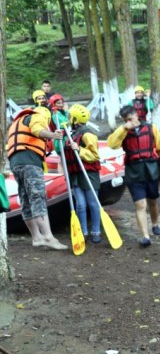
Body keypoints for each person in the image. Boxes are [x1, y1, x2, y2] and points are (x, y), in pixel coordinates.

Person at [107, 105, 160, 247]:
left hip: (150, 169)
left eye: (130, 119)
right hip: (133, 171)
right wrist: (123, 128)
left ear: (136, 115)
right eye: (126, 120)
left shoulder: (151, 128)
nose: (129, 122)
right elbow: (112, 144)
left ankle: (155, 224)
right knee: (140, 204)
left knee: (152, 201)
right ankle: (145, 236)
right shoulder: (123, 131)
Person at [5, 107, 67, 250]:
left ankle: (37, 238)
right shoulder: (38, 116)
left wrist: (50, 140)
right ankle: (48, 236)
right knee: (38, 196)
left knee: (26, 199)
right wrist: (53, 135)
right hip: (30, 162)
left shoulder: (18, 121)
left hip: (16, 164)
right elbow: (37, 130)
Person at [63, 104, 102, 243]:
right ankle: (83, 232)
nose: (68, 119)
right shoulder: (70, 133)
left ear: (75, 119)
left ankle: (96, 231)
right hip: (75, 174)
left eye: (70, 117)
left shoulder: (87, 134)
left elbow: (95, 156)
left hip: (88, 173)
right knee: (80, 204)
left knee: (92, 203)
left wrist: (79, 149)